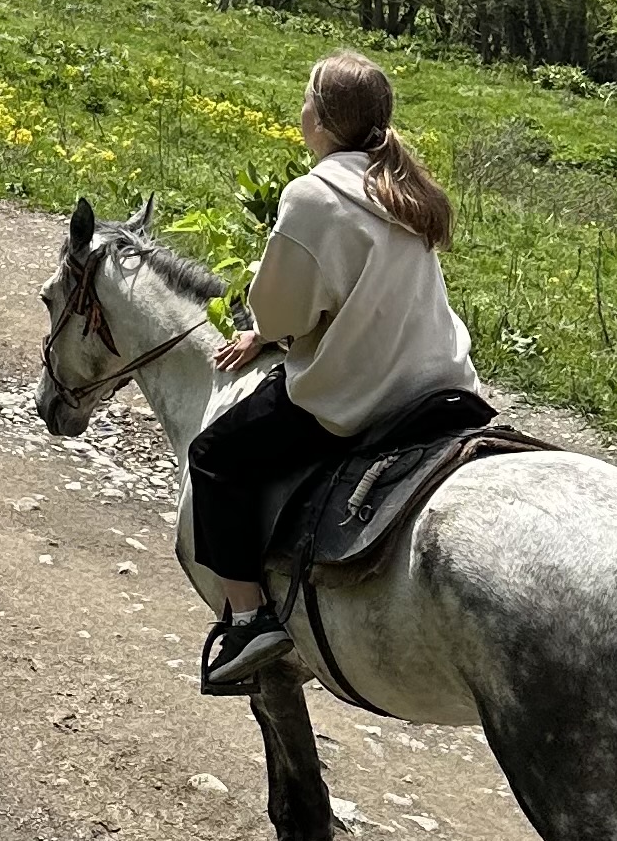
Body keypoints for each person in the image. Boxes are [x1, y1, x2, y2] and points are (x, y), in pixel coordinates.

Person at [189, 49, 480, 694]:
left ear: (318, 120)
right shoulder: (403, 190)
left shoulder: (314, 194)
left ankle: (249, 618)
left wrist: (264, 330)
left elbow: (281, 310)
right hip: (445, 388)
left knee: (214, 456)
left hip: (364, 398)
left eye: (306, 101)